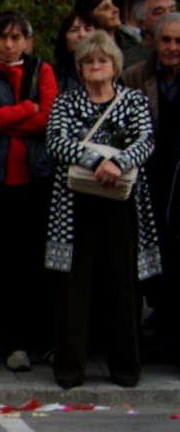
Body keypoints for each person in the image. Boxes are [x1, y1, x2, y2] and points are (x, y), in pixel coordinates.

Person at [43, 30, 162, 388]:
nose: (96, 66)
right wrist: (98, 161)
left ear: (115, 65)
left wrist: (118, 164)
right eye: (89, 61)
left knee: (123, 285)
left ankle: (126, 368)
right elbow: (56, 141)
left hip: (122, 201)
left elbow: (146, 141)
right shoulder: (65, 102)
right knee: (72, 287)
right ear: (80, 68)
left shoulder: (134, 100)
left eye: (103, 60)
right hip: (74, 204)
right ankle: (69, 369)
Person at [0, 10, 57, 370]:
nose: (9, 43)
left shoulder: (43, 71)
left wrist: (6, 121)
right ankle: (14, 343)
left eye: (17, 37)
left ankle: (43, 340)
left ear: (27, 41)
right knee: (3, 265)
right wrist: (27, 108)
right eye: (2, 36)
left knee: (37, 263)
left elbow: (49, 119)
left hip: (37, 181)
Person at [122, 11, 180, 360]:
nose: (172, 47)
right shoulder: (134, 76)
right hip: (145, 179)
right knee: (148, 257)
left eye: (178, 41)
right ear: (155, 42)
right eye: (166, 40)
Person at [51, 11, 91, 94]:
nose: (82, 35)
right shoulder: (53, 74)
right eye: (74, 30)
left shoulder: (110, 70)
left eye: (88, 29)